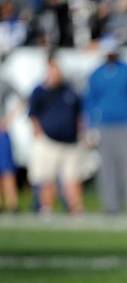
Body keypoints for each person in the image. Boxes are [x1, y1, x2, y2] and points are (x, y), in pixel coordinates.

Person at [85, 37, 127, 214]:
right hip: (105, 125)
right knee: (107, 168)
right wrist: (91, 126)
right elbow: (90, 101)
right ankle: (111, 205)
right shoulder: (96, 74)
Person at [28, 53, 83, 214]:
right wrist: (38, 132)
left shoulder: (69, 90)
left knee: (72, 178)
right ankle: (46, 209)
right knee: (46, 178)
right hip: (48, 140)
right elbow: (33, 114)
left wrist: (81, 132)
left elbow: (78, 113)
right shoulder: (40, 91)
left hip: (70, 141)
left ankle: (76, 210)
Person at [0, 79, 18, 213]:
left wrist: (7, 119)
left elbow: (23, 98)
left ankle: (12, 204)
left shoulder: (3, 82)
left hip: (1, 133)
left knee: (7, 170)